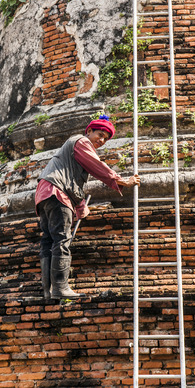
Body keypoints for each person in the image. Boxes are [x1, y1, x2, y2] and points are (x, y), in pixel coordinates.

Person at [35, 115, 140, 300]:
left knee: (49, 241)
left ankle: (48, 291)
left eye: (105, 139)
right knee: (61, 239)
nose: (101, 140)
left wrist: (81, 207)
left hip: (46, 193)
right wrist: (121, 180)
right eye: (99, 135)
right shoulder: (81, 141)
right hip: (57, 193)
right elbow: (97, 165)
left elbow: (73, 184)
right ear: (89, 131)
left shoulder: (74, 152)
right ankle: (60, 287)